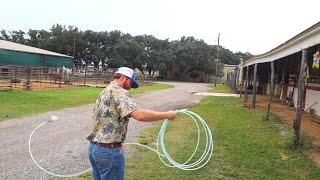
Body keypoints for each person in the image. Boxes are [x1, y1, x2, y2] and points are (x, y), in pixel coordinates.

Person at [86, 67, 177, 180]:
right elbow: (139, 115)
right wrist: (167, 115)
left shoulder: (105, 91)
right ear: (123, 77)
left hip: (95, 149)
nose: (130, 87)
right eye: (130, 82)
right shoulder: (120, 92)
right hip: (109, 150)